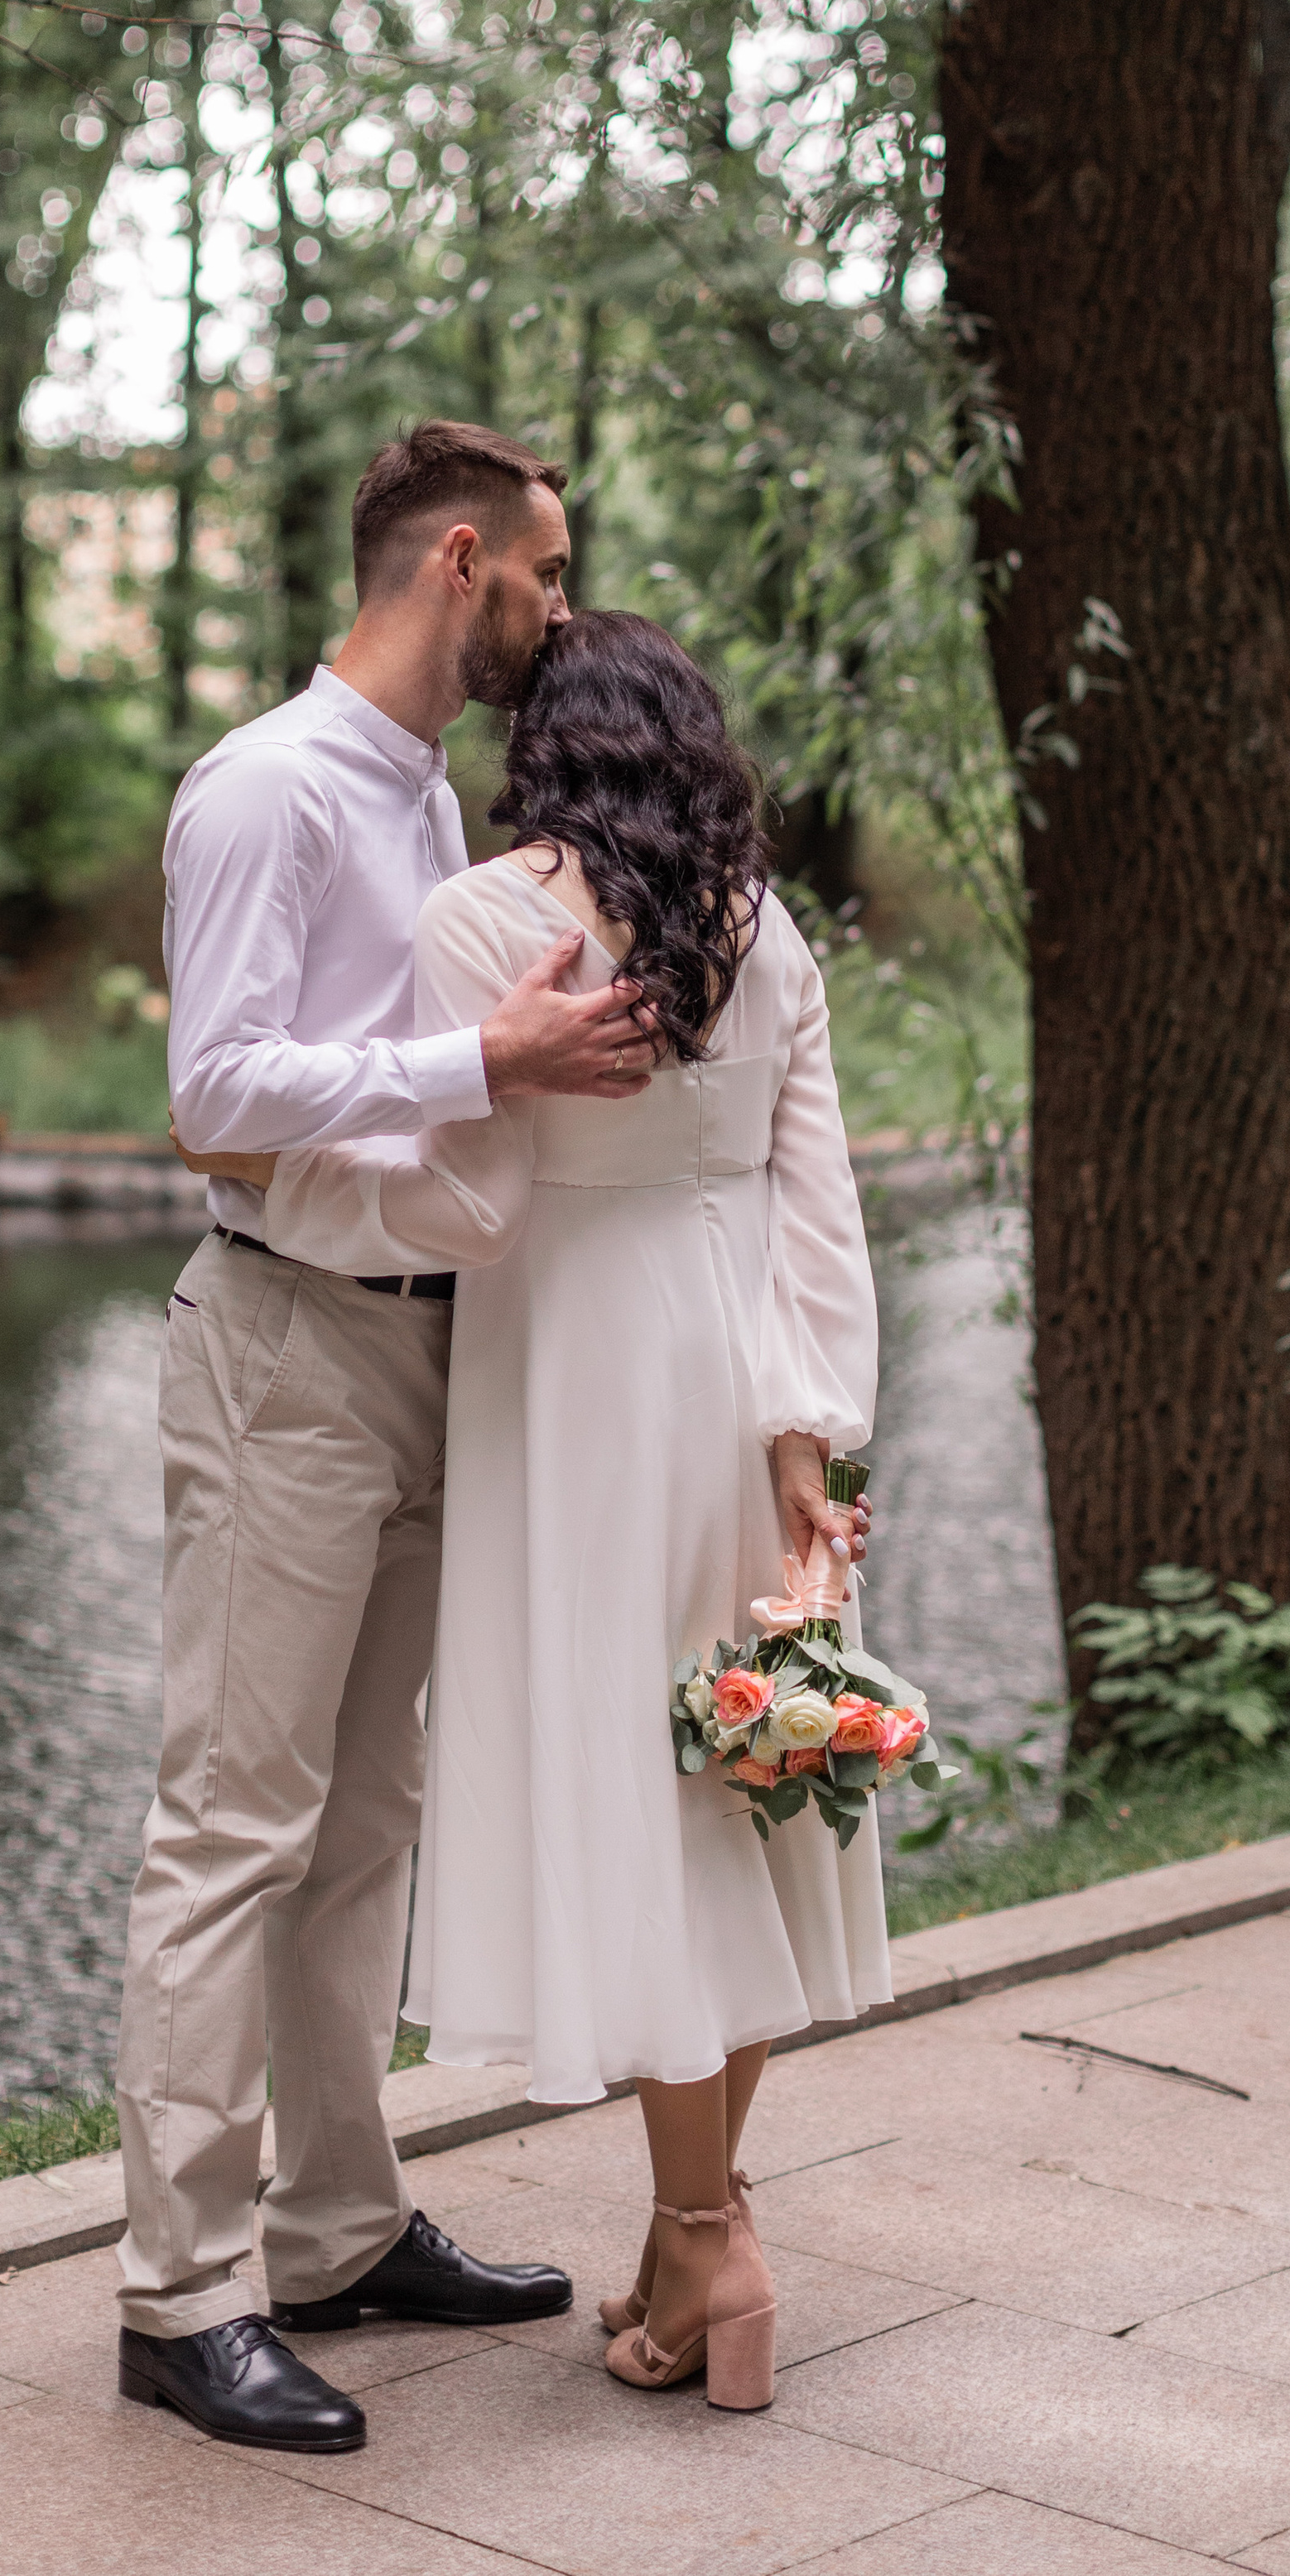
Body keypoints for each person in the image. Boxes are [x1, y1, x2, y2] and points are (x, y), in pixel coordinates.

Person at [248, 606, 889, 2413]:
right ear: (688, 737)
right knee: (737, 1772)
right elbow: (814, 1199)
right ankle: (697, 2230)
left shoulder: (485, 917)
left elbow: (459, 1201)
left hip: (576, 1375)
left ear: (546, 750)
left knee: (645, 1788)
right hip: (739, 1360)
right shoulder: (762, 925)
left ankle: (710, 2227)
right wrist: (815, 1436)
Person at [115, 421, 665, 2457]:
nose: (557, 601)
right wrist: (485, 1051)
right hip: (282, 1348)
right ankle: (178, 2294)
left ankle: (334, 2224)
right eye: (543, 569)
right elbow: (216, 1093)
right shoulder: (263, 785)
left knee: (362, 1829)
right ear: (459, 560)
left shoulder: (424, 791)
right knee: (230, 1827)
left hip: (421, 1348)